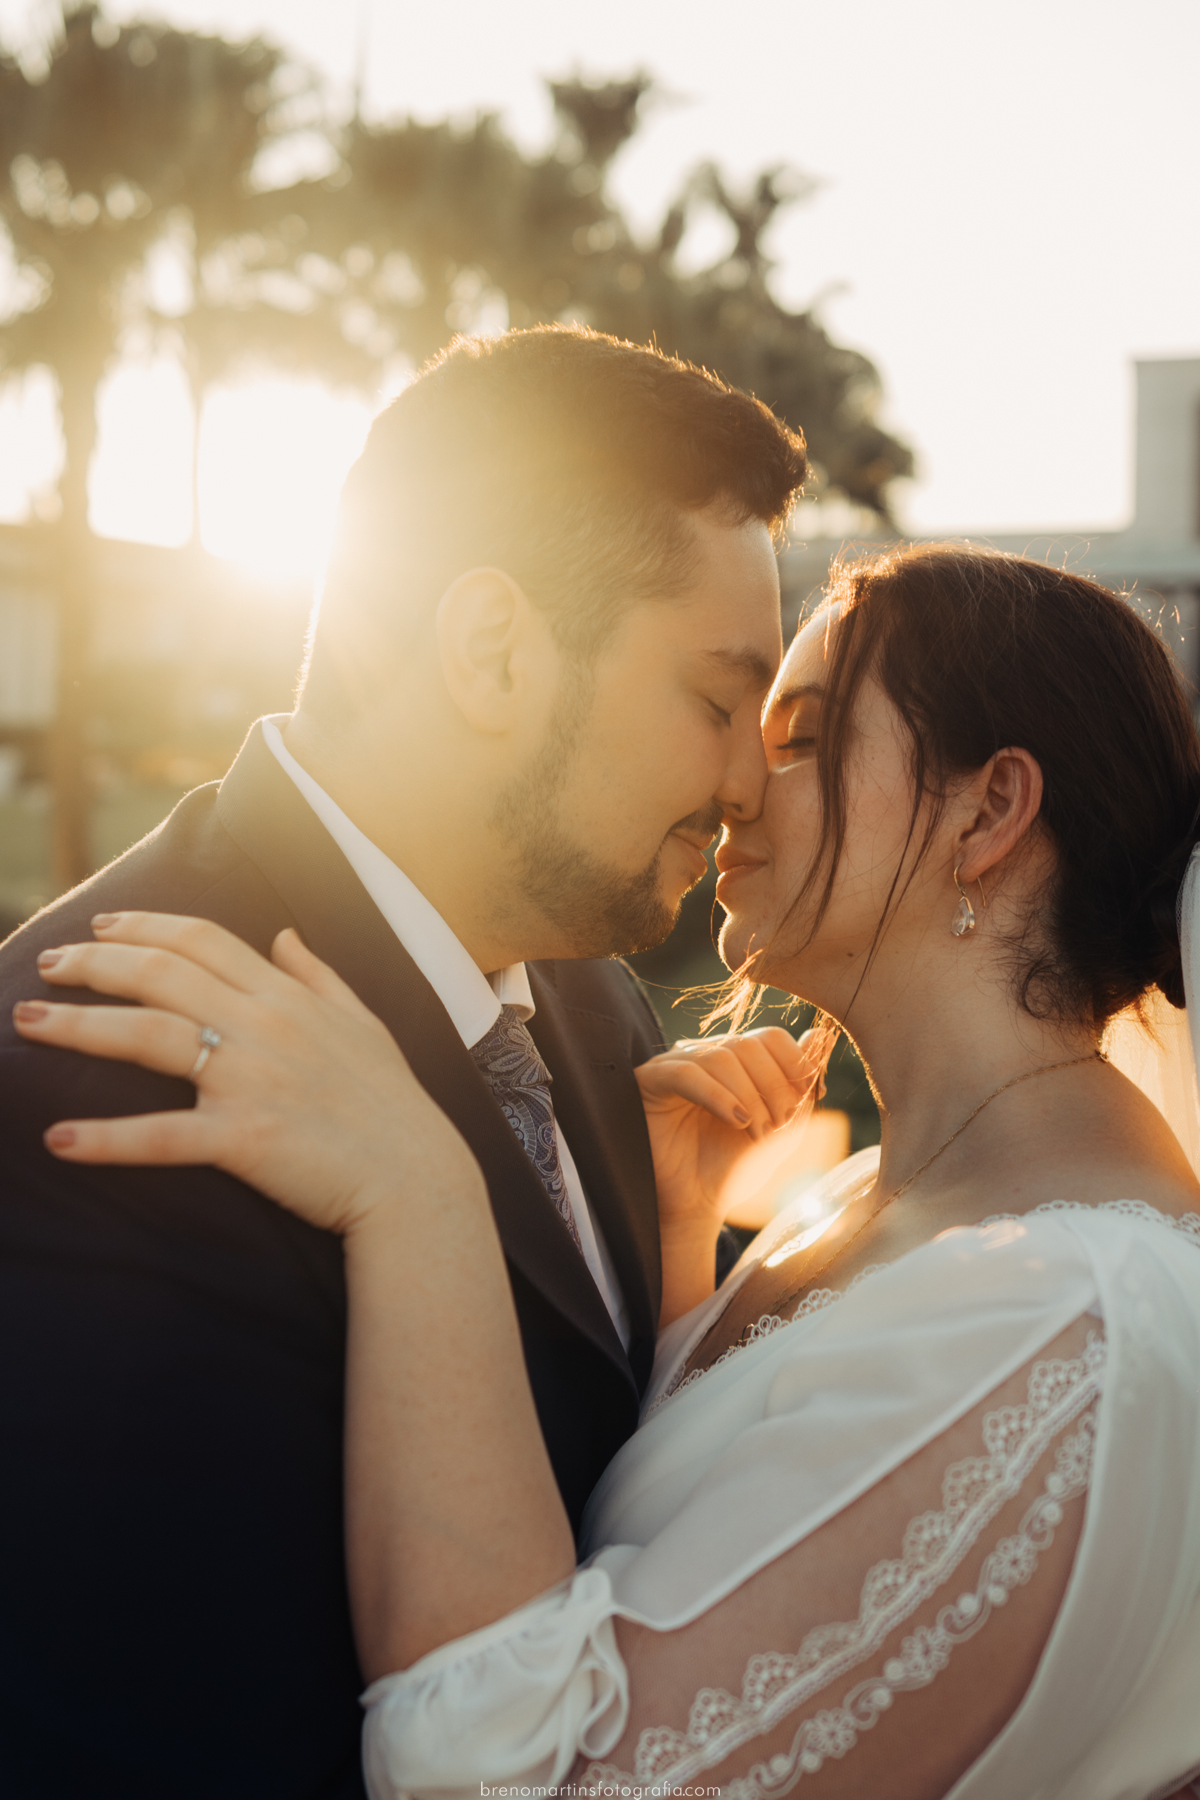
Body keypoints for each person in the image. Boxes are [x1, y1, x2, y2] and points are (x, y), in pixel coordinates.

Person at [23, 543, 1200, 1798]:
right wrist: (678, 1237)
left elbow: (542, 1780)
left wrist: (420, 1192)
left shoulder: (1071, 1325)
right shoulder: (859, 1206)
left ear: (989, 810)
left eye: (798, 739)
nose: (738, 784)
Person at [0, 326, 810, 1798]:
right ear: (493, 648)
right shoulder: (107, 1060)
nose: (749, 780)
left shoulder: (596, 1011)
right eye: (713, 700)